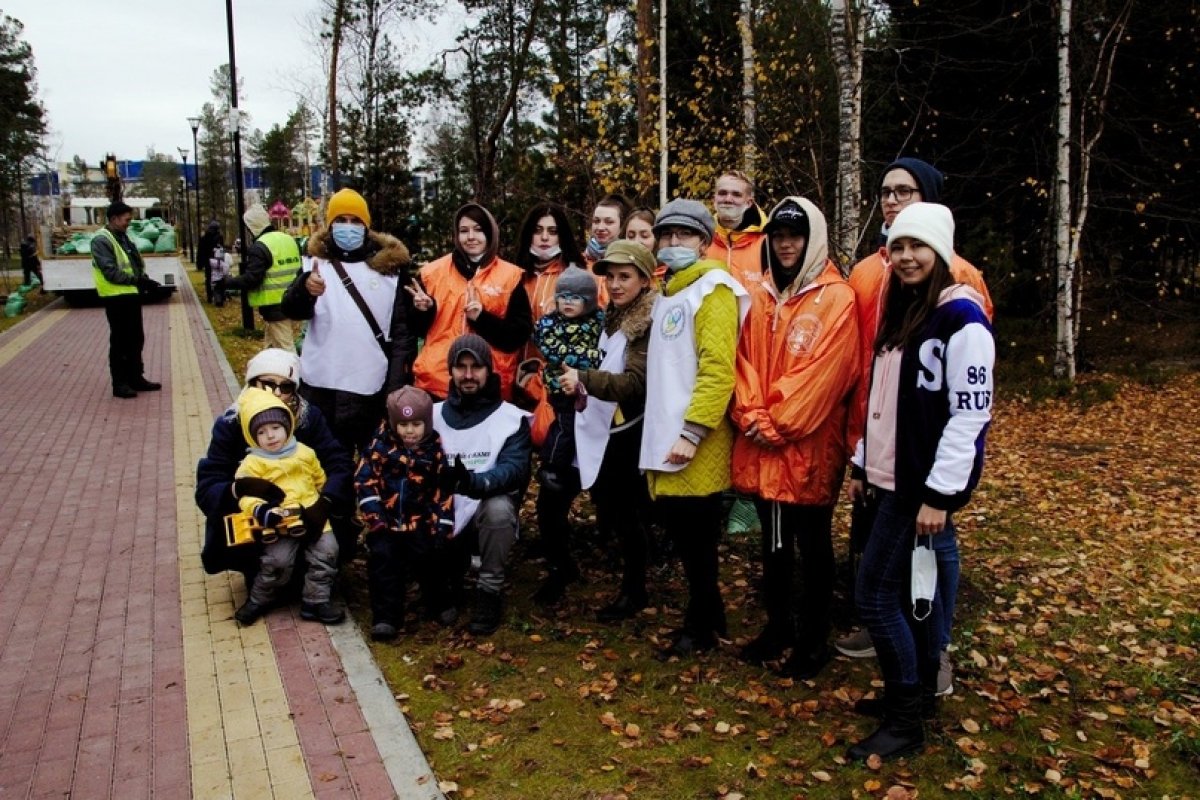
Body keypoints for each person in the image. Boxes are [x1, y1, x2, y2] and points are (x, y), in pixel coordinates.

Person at [837, 157, 995, 698]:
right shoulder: (899, 307)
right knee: (894, 590)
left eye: (917, 247)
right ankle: (917, 689)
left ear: (939, 250)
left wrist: (940, 493)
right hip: (887, 470)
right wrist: (861, 459)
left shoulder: (961, 312)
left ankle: (912, 697)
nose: (905, 257)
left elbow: (968, 412)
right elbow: (882, 393)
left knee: (880, 594)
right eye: (898, 248)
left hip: (921, 481)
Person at [731, 197, 860, 679]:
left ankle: (813, 640)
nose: (786, 244)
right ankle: (778, 627)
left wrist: (773, 423)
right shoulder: (758, 294)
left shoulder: (837, 298)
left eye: (796, 236)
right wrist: (749, 411)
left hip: (807, 449)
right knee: (773, 541)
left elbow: (825, 375)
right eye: (780, 236)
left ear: (813, 240)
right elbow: (738, 360)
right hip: (762, 444)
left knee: (814, 543)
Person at [640, 199, 749, 657]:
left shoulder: (714, 289)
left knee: (697, 536)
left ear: (705, 242)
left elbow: (717, 369)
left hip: (694, 439)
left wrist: (693, 432)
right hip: (666, 432)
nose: (672, 243)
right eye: (665, 236)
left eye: (683, 236)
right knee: (685, 534)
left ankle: (700, 627)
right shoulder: (668, 292)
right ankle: (710, 613)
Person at [541, 241, 658, 619]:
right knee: (612, 509)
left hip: (627, 432)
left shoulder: (645, 322)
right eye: (610, 277)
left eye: (625, 277)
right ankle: (625, 584)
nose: (616, 284)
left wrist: (584, 379)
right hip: (602, 428)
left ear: (644, 278)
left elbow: (636, 383)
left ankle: (635, 590)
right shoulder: (612, 316)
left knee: (627, 515)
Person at [196, 349, 353, 592]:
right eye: (268, 384)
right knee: (269, 575)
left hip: (304, 509)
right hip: (258, 517)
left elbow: (338, 461)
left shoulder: (309, 419)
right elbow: (208, 485)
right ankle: (256, 567)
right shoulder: (231, 424)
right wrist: (240, 489)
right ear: (252, 384)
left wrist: (325, 501)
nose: (278, 392)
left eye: (286, 386)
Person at [281, 188, 417, 457]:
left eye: (355, 221)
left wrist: (395, 386)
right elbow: (291, 309)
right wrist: (304, 289)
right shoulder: (314, 263)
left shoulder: (389, 269)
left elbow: (403, 334)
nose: (348, 227)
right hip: (321, 387)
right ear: (330, 225)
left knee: (373, 468)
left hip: (370, 390)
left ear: (367, 226)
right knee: (330, 469)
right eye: (341, 220)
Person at [433, 334, 532, 636]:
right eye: (460, 367)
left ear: (488, 370)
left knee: (500, 508)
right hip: (441, 512)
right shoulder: (432, 415)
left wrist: (473, 482)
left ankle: (489, 589)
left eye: (475, 367)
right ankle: (442, 583)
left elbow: (514, 469)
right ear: (450, 371)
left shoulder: (511, 420)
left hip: (483, 509)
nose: (467, 375)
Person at [232, 387, 346, 627]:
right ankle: (259, 598)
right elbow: (245, 494)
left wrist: (322, 503)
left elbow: (320, 478)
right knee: (277, 561)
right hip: (279, 520)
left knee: (327, 552)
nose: (270, 436)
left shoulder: (305, 452)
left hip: (311, 514)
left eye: (275, 428)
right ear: (252, 436)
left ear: (287, 425)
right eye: (261, 432)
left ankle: (316, 600)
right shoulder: (253, 463)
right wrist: (261, 510)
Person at [355, 386, 456, 641]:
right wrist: (374, 516)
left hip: (419, 523)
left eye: (416, 424)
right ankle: (386, 617)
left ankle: (439, 604)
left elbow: (442, 489)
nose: (409, 431)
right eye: (403, 425)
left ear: (427, 423)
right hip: (386, 524)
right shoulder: (379, 447)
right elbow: (364, 481)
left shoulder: (434, 451)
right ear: (392, 424)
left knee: (430, 563)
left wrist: (441, 523)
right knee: (384, 566)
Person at [409, 203, 531, 401]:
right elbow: (414, 330)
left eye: (478, 230)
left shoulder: (511, 276)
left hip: (491, 386)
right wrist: (424, 311)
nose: (471, 237)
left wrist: (481, 319)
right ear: (456, 236)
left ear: (490, 233)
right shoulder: (432, 273)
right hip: (438, 384)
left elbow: (517, 335)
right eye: (464, 231)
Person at [531, 265, 604, 493]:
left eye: (575, 298)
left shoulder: (598, 321)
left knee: (584, 428)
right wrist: (593, 357)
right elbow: (556, 353)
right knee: (565, 425)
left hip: (590, 387)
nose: (568, 302)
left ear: (589, 301)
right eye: (563, 297)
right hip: (560, 386)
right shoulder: (549, 324)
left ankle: (579, 468)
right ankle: (550, 465)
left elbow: (607, 347)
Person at [90, 201, 162, 399]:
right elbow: (110, 271)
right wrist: (138, 280)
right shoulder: (101, 240)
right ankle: (120, 383)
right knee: (120, 341)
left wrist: (144, 281)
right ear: (114, 219)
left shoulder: (122, 237)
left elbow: (133, 264)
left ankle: (135, 377)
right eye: (126, 219)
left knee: (136, 338)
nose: (128, 223)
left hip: (129, 295)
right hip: (115, 296)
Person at [221, 204, 301, 352]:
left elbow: (252, 279)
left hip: (274, 306)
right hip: (292, 301)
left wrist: (227, 282)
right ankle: (270, 372)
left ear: (252, 227)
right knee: (271, 348)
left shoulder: (260, 247)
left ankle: (295, 374)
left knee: (286, 349)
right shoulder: (288, 239)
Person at [707, 170, 769, 289]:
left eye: (736, 194)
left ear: (749, 202)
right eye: (722, 193)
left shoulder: (766, 242)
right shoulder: (702, 239)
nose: (728, 199)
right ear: (714, 199)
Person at [583, 194, 631, 267]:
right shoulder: (579, 262)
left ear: (623, 226)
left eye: (609, 222)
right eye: (596, 221)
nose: (600, 228)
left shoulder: (632, 261)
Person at [197, 219, 224, 301]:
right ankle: (218, 295)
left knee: (208, 278)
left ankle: (210, 296)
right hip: (217, 260)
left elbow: (200, 251)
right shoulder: (219, 237)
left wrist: (199, 264)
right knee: (219, 277)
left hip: (207, 261)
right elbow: (222, 249)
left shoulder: (204, 237)